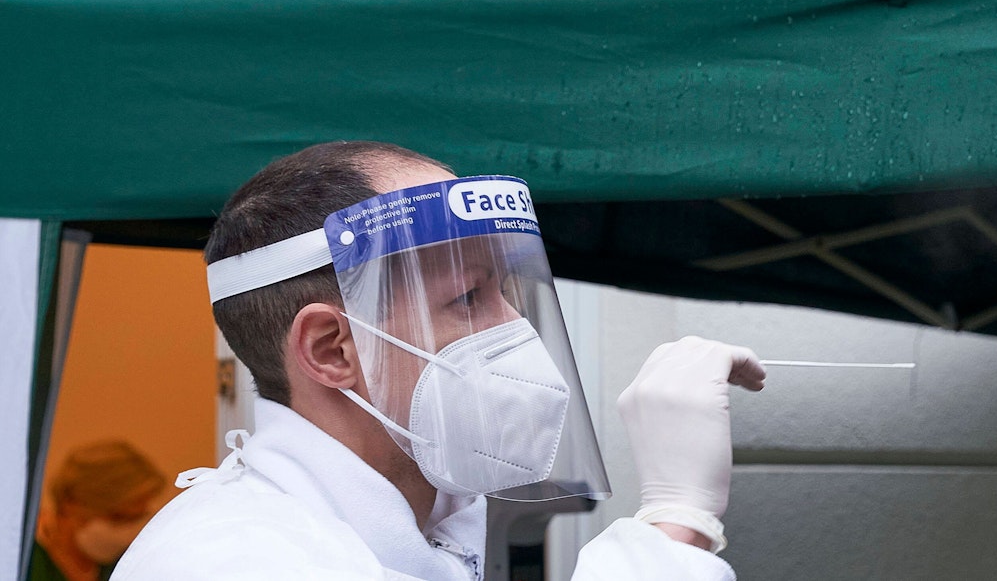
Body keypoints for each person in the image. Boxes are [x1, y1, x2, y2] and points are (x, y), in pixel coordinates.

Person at [114, 141, 765, 580]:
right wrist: (676, 518)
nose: (515, 329)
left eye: (504, 290)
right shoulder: (235, 560)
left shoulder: (427, 531)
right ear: (330, 350)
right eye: (466, 297)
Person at [30, 440, 166, 581]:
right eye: (118, 517)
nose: (127, 533)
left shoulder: (125, 564)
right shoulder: (25, 561)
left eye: (138, 518)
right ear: (71, 504)